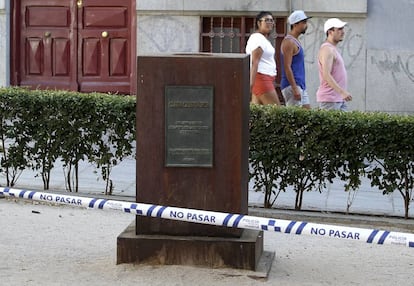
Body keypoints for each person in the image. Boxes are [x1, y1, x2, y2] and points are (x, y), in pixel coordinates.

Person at [316, 18, 352, 111]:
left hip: (337, 99)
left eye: (343, 29)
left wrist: (341, 94)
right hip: (330, 100)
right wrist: (342, 92)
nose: (343, 32)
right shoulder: (327, 49)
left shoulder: (332, 48)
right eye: (339, 29)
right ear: (330, 32)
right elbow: (326, 75)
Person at [246, 11, 280, 105]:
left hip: (265, 78)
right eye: (266, 20)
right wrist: (251, 85)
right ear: (258, 23)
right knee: (276, 112)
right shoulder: (257, 38)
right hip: (261, 78)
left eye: (271, 21)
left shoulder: (263, 39)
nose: (270, 23)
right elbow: (254, 62)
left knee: (257, 115)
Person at [280, 10, 312, 109]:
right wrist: (294, 87)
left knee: (308, 116)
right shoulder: (289, 42)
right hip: (292, 86)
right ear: (295, 24)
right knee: (295, 120)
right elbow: (287, 66)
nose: (306, 25)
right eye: (303, 23)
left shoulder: (295, 41)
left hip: (300, 85)